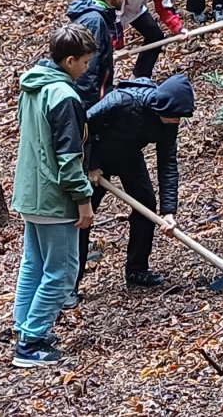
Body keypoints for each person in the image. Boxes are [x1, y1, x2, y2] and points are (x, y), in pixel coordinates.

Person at [64, 75, 195, 308]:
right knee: (83, 218)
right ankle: (69, 286)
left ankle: (137, 270)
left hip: (129, 157)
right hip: (96, 158)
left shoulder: (168, 123)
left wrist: (169, 212)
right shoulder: (121, 101)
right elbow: (81, 127)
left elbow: (168, 162)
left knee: (146, 206)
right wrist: (91, 164)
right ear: (161, 106)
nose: (177, 121)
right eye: (175, 116)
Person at [11, 24, 96, 367]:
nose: (88, 69)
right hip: (53, 197)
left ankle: (25, 327)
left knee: (34, 264)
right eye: (86, 63)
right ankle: (31, 344)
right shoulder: (63, 96)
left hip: (30, 192)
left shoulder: (32, 86)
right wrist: (83, 199)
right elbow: (67, 156)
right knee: (61, 272)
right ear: (70, 60)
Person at [116, 0, 189, 80]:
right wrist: (118, 46)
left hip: (136, 10)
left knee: (156, 37)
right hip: (115, 14)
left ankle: (139, 77)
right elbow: (114, 13)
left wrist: (178, 29)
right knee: (106, 50)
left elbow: (164, 6)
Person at [67, 0, 126, 110]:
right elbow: (88, 68)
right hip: (90, 100)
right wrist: (93, 107)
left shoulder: (91, 13)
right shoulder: (95, 21)